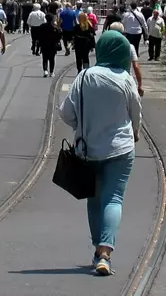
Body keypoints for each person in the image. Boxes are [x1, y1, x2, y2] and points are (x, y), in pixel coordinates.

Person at [59, 30, 142, 276]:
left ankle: (98, 251)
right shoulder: (125, 78)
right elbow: (136, 111)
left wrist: (81, 126)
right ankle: (105, 252)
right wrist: (134, 131)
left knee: (94, 199)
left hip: (88, 150)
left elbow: (66, 113)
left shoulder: (84, 77)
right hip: (121, 148)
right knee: (113, 198)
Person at [109, 23, 144, 97]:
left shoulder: (106, 47)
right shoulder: (129, 47)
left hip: (108, 79)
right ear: (123, 33)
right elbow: (136, 67)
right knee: (134, 106)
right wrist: (139, 85)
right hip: (126, 80)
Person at [39, 13, 62, 78]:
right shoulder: (55, 27)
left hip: (44, 44)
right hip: (53, 45)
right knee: (52, 59)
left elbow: (39, 35)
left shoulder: (42, 26)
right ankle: (51, 72)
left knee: (44, 58)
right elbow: (59, 35)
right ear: (52, 19)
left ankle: (45, 70)